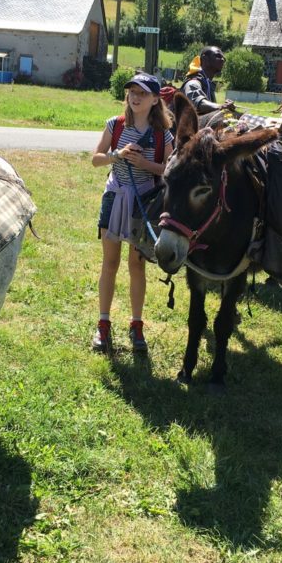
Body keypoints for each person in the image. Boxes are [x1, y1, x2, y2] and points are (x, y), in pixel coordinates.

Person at [91, 72, 174, 354]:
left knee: (137, 266)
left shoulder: (163, 134)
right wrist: (118, 155)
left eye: (142, 93)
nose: (135, 97)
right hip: (114, 196)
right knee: (110, 263)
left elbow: (170, 170)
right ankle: (103, 324)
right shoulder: (115, 125)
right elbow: (95, 159)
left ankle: (136, 325)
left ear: (155, 100)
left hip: (146, 202)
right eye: (132, 92)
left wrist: (145, 164)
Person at [182, 46, 235, 114]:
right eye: (218, 56)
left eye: (224, 58)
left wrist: (226, 107)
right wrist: (220, 106)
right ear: (205, 59)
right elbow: (198, 103)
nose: (222, 60)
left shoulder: (208, 84)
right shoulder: (193, 82)